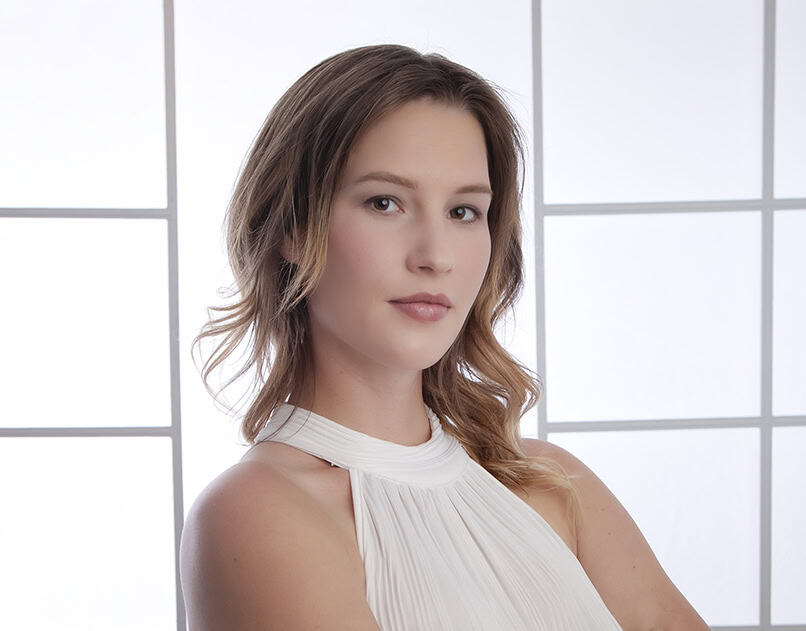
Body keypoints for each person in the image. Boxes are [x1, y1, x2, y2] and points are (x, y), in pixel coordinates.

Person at [179, 43, 710, 631]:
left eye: (464, 212)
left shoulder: (551, 481)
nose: (435, 257)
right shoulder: (257, 514)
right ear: (293, 229)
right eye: (385, 203)